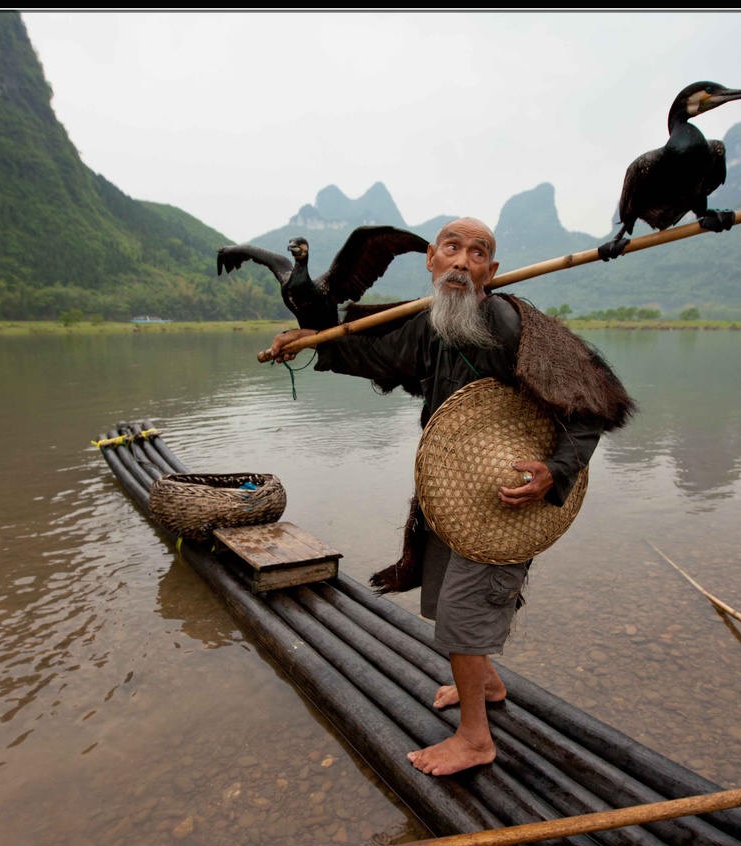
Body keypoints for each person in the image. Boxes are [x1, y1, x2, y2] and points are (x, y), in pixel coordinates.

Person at [269, 218, 635, 775]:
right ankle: (485, 684)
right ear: (432, 262)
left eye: (478, 253)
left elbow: (594, 397)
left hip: (510, 490)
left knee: (464, 612)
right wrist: (312, 343)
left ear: (490, 271)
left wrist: (555, 472)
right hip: (457, 489)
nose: (463, 261)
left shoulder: (508, 323)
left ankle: (475, 739)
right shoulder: (432, 324)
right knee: (444, 595)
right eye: (453, 248)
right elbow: (374, 357)